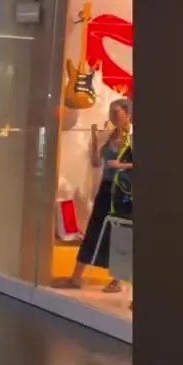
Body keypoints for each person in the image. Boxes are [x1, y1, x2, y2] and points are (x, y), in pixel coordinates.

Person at [53, 98, 134, 293]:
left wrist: (122, 165)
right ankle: (76, 277)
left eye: (116, 112)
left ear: (127, 114)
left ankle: (117, 280)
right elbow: (97, 162)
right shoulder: (111, 135)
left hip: (122, 191)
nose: (112, 116)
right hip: (106, 188)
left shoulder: (132, 137)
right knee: (94, 229)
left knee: (119, 232)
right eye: (111, 112)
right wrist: (95, 139)